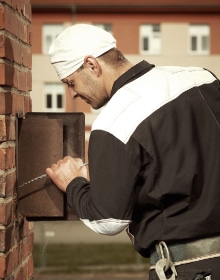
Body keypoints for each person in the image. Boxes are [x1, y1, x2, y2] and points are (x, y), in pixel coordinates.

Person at [46, 24, 220, 280]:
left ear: (92, 65)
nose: (71, 93)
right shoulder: (201, 77)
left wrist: (74, 183)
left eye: (71, 82)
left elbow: (107, 220)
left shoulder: (113, 121)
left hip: (191, 268)